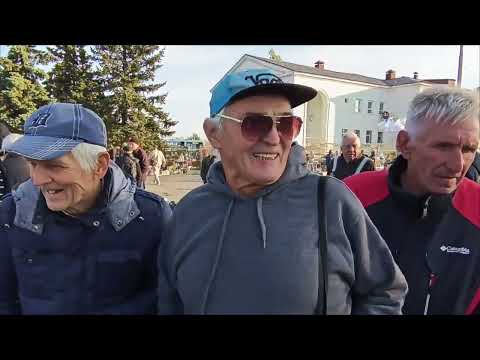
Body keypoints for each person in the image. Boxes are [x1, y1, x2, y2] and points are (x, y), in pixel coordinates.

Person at [157, 68, 407, 315]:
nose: (274, 137)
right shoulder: (188, 212)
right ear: (214, 133)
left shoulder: (332, 200)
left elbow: (384, 293)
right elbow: (169, 302)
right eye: (255, 124)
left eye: (286, 124)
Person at [0, 103, 172, 314]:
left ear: (99, 165)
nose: (36, 180)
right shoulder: (11, 214)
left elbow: (168, 302)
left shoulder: (151, 217)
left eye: (54, 165)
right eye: (32, 164)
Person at [344, 87, 480, 314]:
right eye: (443, 146)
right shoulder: (352, 195)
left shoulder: (476, 208)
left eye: (469, 149)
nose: (458, 165)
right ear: (404, 144)